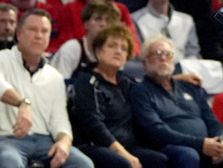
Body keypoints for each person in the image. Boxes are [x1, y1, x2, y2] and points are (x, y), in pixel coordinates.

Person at [0, 9, 94, 168]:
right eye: (33, 30)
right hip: (5, 140)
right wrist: (22, 102)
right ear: (18, 33)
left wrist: (64, 142)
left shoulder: (54, 76)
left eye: (44, 31)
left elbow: (59, 119)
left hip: (45, 141)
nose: (39, 36)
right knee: (9, 162)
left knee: (83, 164)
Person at [130, 35, 223, 168]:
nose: (163, 58)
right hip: (171, 147)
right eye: (156, 54)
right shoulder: (140, 90)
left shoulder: (191, 88)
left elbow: (213, 122)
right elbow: (155, 131)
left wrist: (220, 142)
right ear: (144, 63)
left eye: (167, 54)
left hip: (206, 146)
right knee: (189, 155)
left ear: (173, 60)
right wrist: (200, 144)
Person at [69, 23, 169, 168]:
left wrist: (179, 78)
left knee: (159, 160)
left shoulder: (127, 82)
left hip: (128, 145)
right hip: (94, 144)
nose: (118, 51)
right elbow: (92, 124)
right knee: (122, 163)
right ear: (98, 51)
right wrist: (122, 152)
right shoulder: (86, 80)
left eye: (123, 48)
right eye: (112, 46)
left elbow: (152, 83)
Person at [132, 0, 200, 61]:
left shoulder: (186, 21)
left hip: (184, 71)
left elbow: (193, 53)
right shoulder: (135, 19)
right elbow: (138, 56)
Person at [50, 0, 121, 79]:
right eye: (98, 19)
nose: (103, 24)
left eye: (109, 21)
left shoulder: (116, 54)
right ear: (86, 24)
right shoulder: (72, 49)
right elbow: (57, 86)